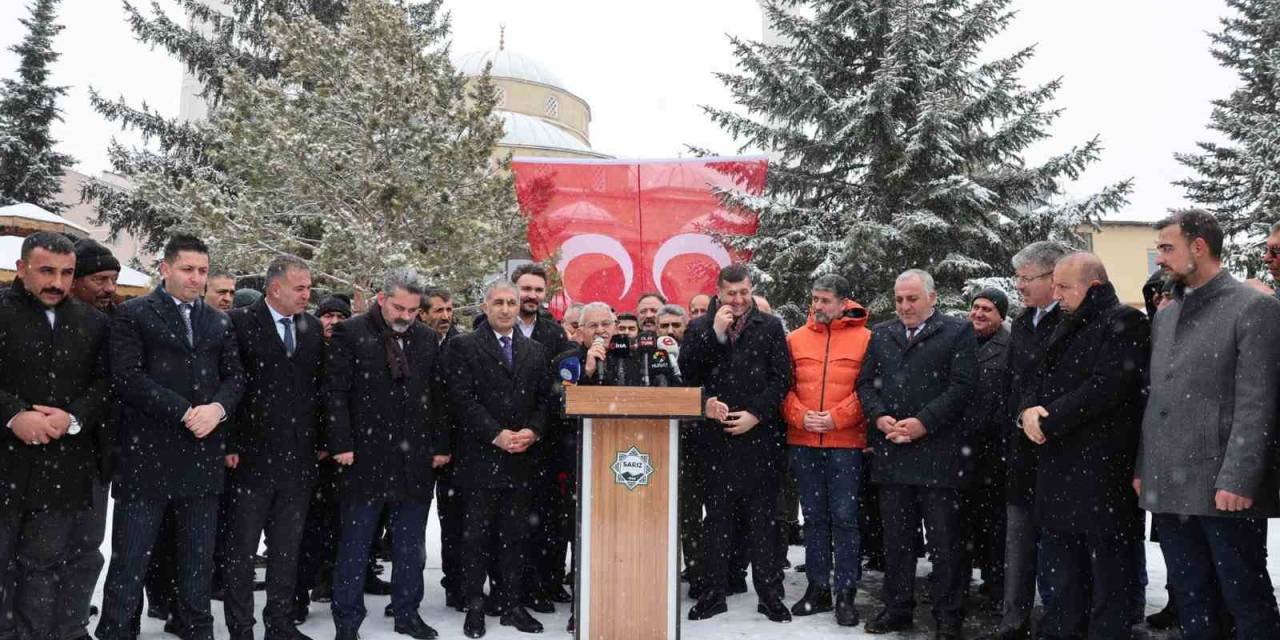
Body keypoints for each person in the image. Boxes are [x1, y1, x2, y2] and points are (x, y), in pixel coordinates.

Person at [1138, 210, 1280, 640]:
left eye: (1167, 247)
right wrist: (1145, 468)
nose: (1160, 258)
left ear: (1198, 247)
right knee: (1193, 600)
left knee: (1245, 598)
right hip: (1170, 487)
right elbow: (1157, 398)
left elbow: (1257, 403)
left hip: (1223, 489)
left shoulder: (1254, 308)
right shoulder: (1166, 314)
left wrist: (1238, 477)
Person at [97, 234, 245, 640]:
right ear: (164, 269)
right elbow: (127, 378)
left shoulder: (217, 321)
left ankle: (197, 629)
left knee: (198, 563)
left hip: (202, 459)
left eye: (202, 270)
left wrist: (217, 409)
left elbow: (235, 376)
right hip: (147, 458)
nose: (196, 278)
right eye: (187, 269)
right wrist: (183, 411)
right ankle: (116, 631)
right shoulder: (133, 314)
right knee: (130, 562)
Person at [1018, 253, 1149, 639]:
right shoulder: (1062, 322)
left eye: (1064, 286)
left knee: (1108, 576)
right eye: (1054, 285)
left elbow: (1107, 386)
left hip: (1101, 472)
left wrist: (1048, 418)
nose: (1056, 294)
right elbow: (1033, 376)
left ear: (1093, 287)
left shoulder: (1125, 321)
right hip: (1058, 469)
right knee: (1061, 575)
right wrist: (1027, 411)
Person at [324, 267, 448, 640]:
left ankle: (407, 613)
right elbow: (335, 393)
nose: (405, 317)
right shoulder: (351, 333)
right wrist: (341, 443)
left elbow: (438, 396)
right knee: (356, 545)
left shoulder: (426, 338)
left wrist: (440, 446)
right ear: (381, 298)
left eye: (412, 310)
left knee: (410, 546)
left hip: (414, 461)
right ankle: (347, 622)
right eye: (398, 308)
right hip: (363, 458)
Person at [0, 232, 111, 639]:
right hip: (5, 462)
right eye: (47, 271)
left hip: (63, 467)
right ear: (22, 268)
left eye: (66, 273)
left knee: (42, 568)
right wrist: (14, 415)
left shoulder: (94, 322)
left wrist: (73, 417)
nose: (58, 283)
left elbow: (105, 385)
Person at [856, 269, 976, 639]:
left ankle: (948, 615)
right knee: (897, 542)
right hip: (893, 455)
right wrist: (879, 418)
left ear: (932, 297)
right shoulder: (882, 335)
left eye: (912, 298)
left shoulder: (957, 332)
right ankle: (897, 607)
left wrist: (924, 422)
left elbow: (963, 387)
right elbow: (865, 384)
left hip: (938, 455)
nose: (905, 306)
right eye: (899, 300)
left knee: (945, 544)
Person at [679, 264, 793, 623]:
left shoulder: (771, 326)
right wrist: (714, 335)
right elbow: (689, 374)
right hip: (715, 443)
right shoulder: (699, 327)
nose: (740, 300)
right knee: (717, 523)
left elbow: (782, 379)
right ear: (719, 293)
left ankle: (770, 596)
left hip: (759, 440)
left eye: (744, 292)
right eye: (732, 294)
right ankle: (714, 594)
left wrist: (756, 414)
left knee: (764, 523)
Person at [222, 255, 324, 640]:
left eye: (309, 288)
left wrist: (323, 442)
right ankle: (241, 627)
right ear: (274, 287)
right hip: (250, 457)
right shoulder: (238, 323)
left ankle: (279, 623)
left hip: (298, 459)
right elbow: (229, 385)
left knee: (286, 549)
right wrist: (229, 442)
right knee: (242, 551)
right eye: (300, 288)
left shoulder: (312, 328)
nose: (307, 295)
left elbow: (319, 390)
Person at [443, 280, 552, 638]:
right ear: (485, 306)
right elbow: (461, 399)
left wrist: (533, 431)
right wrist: (496, 434)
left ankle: (512, 603)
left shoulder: (534, 350)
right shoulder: (463, 347)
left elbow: (545, 401)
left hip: (521, 460)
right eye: (498, 303)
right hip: (479, 458)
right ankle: (475, 603)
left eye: (511, 302)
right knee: (476, 536)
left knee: (515, 536)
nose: (506, 309)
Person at [977, 241, 1071, 640]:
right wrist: (1014, 421)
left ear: (1054, 279)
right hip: (1018, 451)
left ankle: (1055, 620)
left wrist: (1038, 416)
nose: (1018, 285)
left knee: (1055, 550)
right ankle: (1013, 621)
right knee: (1017, 545)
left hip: (1056, 451)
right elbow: (1013, 386)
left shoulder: (1070, 322)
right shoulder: (1025, 322)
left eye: (1025, 277)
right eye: (1017, 277)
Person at [782, 274, 870, 626]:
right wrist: (801, 416)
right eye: (815, 299)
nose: (818, 306)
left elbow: (869, 388)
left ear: (843, 302)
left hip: (845, 443)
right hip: (803, 442)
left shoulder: (866, 339)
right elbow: (782, 385)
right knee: (814, 519)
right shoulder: (795, 339)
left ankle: (846, 591)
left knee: (846, 520)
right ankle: (818, 587)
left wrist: (836, 419)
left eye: (825, 300)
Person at [56, 238, 122, 640]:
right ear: (74, 280)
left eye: (113, 279)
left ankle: (72, 619)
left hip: (96, 459)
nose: (109, 288)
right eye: (100, 279)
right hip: (39, 456)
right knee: (37, 551)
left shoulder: (117, 324)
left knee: (85, 548)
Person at [506, 264, 572, 612]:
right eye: (525, 288)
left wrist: (536, 429)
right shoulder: (488, 326)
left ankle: (540, 586)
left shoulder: (554, 334)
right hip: (500, 441)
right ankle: (507, 589)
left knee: (544, 520)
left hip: (541, 441)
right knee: (507, 523)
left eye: (537, 290)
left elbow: (556, 391)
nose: (530, 295)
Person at [961, 288, 1011, 612]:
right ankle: (958, 584)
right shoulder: (960, 341)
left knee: (996, 524)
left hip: (995, 450)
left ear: (1001, 316)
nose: (979, 314)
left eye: (988, 309)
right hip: (960, 449)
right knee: (962, 521)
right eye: (976, 307)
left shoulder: (1010, 348)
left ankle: (997, 586)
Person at [421, 286, 467, 611]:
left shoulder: (461, 346)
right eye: (438, 310)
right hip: (415, 450)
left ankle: (456, 585)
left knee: (453, 523)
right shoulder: (407, 345)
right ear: (422, 313)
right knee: (407, 528)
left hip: (454, 451)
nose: (446, 316)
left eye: (449, 310)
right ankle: (405, 593)